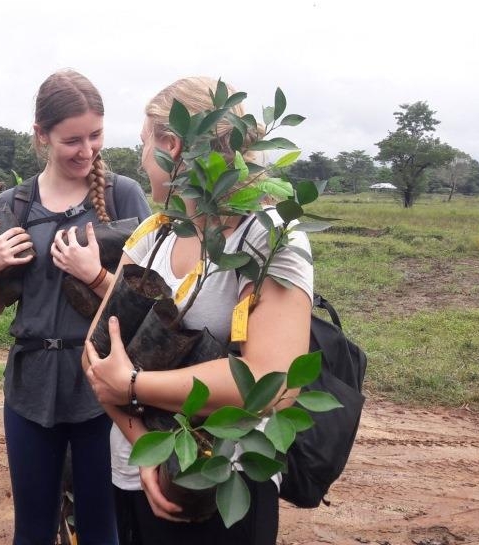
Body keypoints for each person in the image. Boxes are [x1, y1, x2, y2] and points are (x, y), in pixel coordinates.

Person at [82, 76, 314, 544]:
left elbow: (271, 380)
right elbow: (96, 351)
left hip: (222, 479)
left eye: (145, 143)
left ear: (171, 146)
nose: (142, 157)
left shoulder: (266, 240)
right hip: (135, 475)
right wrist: (147, 451)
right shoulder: (154, 233)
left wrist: (134, 384)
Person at [0, 69, 151, 544]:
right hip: (31, 385)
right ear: (41, 135)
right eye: (72, 139)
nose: (87, 151)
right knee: (31, 529)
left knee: (101, 527)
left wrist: (92, 273)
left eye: (95, 136)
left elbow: (152, 299)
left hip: (101, 385)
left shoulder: (122, 194)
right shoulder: (15, 204)